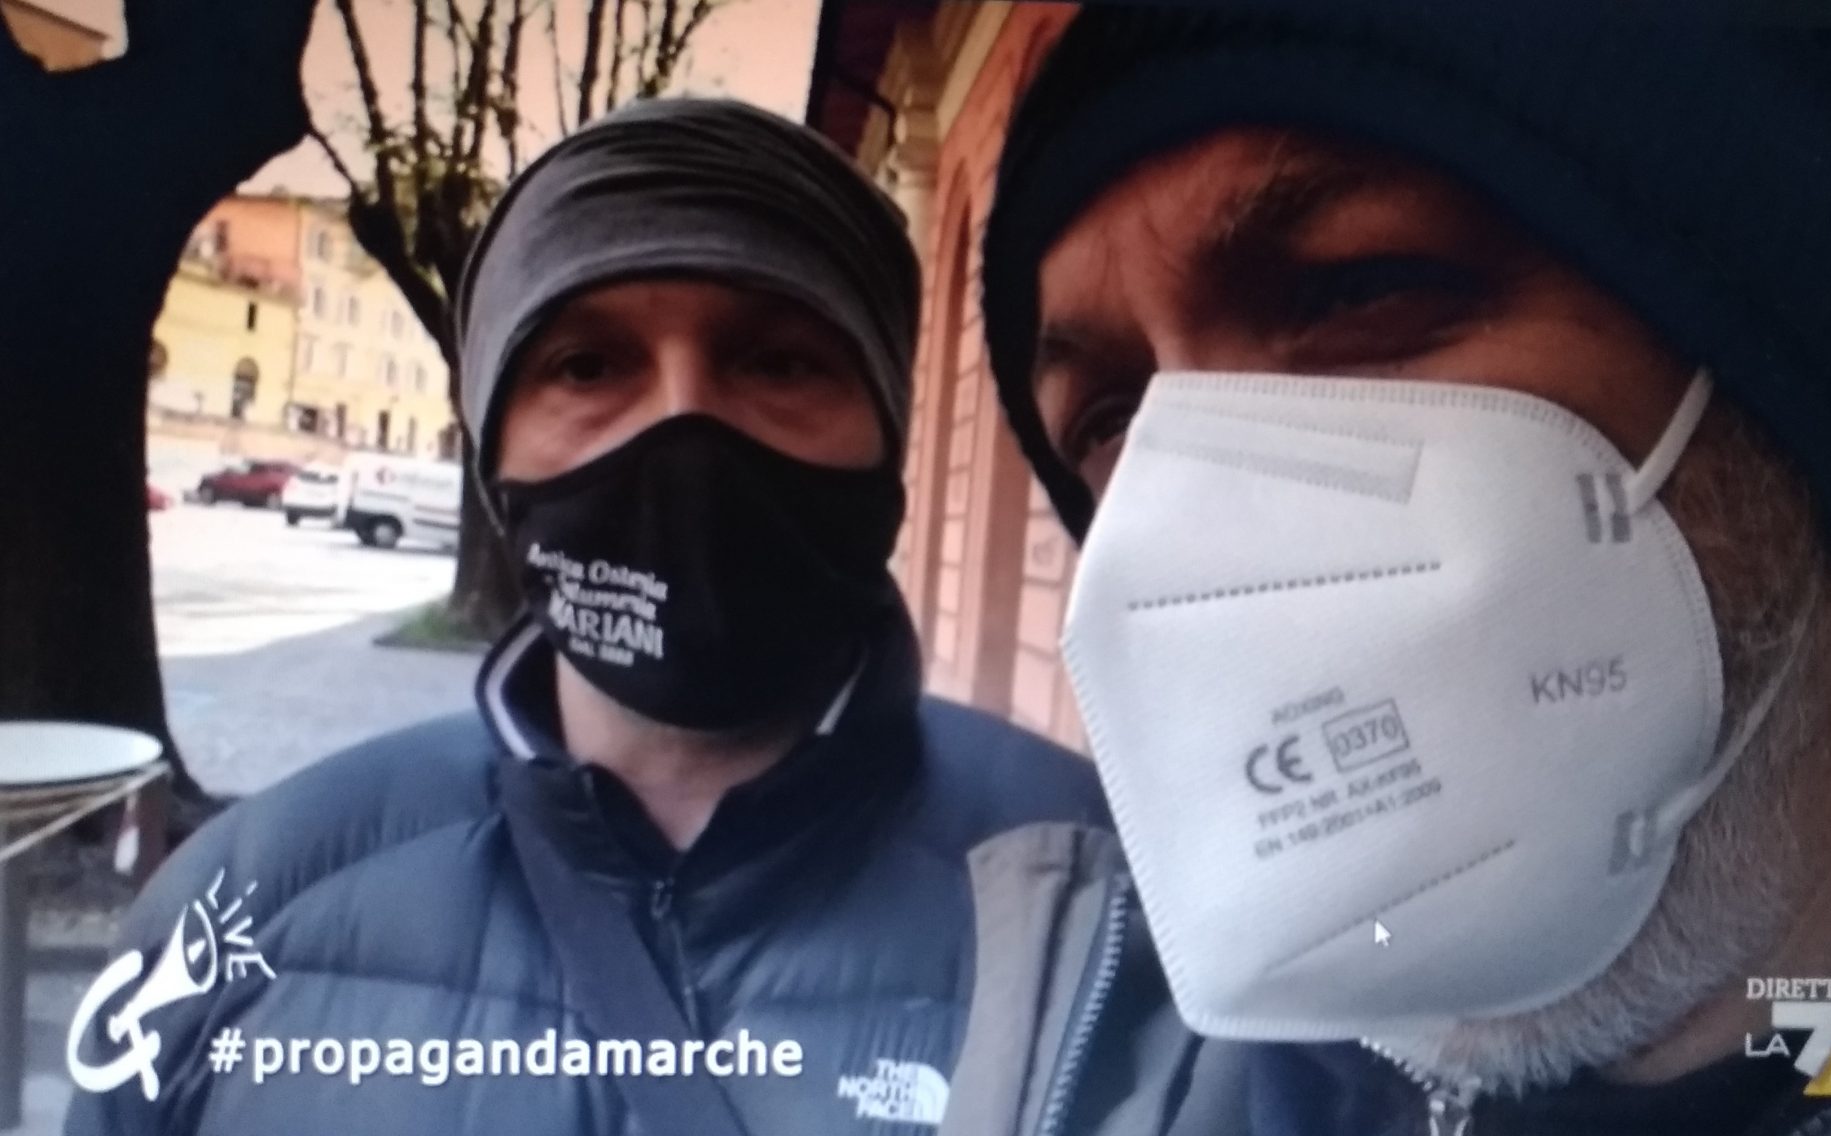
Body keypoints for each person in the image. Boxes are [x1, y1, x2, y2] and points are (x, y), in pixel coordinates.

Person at [942, 3, 1831, 1134]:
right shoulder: (1086, 1061)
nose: (1196, 514)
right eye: (1111, 418)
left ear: (1790, 360)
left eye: (1351, 291)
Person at [65, 96, 1109, 1136]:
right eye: (587, 365)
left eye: (778, 360)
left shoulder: (1111, 907)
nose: (684, 423)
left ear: (885, 437)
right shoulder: (236, 916)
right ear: (495, 460)